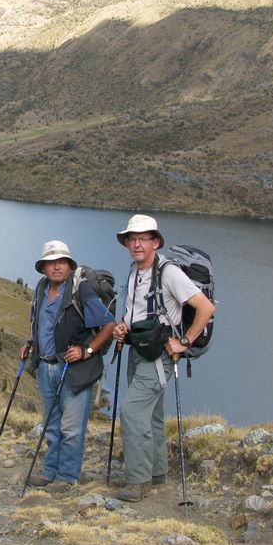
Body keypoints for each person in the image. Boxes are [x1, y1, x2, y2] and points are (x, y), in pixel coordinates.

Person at [111, 214, 215, 502]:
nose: (137, 244)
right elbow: (138, 312)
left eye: (143, 238)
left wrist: (184, 342)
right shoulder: (135, 271)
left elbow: (205, 308)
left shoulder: (169, 272)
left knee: (132, 413)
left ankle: (138, 480)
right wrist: (123, 326)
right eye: (132, 239)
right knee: (153, 416)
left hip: (158, 357)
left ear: (155, 242)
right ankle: (157, 472)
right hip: (138, 350)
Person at [22, 240, 116, 492]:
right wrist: (31, 343)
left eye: (61, 262)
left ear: (69, 265)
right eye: (50, 263)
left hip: (73, 369)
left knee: (71, 428)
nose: (56, 267)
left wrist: (87, 350)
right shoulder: (42, 288)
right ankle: (49, 471)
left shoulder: (80, 290)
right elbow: (42, 324)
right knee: (52, 424)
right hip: (45, 367)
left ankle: (67, 476)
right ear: (43, 268)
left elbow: (109, 325)